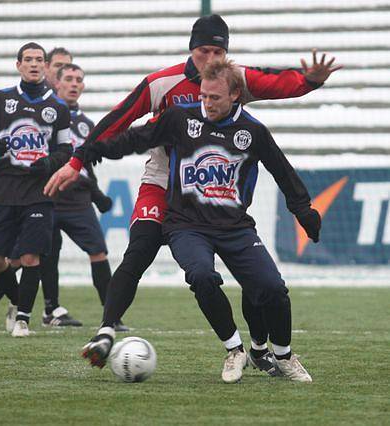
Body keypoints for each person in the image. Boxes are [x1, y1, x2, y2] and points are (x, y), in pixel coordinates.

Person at [44, 14, 341, 372]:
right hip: (163, 184)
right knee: (140, 250)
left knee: (257, 279)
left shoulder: (235, 79)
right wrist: (78, 160)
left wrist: (308, 82)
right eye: (204, 50)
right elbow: (118, 121)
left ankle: (261, 348)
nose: (211, 59)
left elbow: (279, 83)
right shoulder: (161, 83)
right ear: (191, 49)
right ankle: (106, 330)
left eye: (218, 51)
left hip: (220, 193)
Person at [84, 59, 320, 382]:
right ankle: (234, 350)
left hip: (235, 227)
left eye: (215, 98)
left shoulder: (253, 131)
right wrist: (98, 148)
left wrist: (304, 212)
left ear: (235, 94)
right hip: (186, 225)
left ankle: (284, 356)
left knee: (273, 289)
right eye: (204, 96)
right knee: (202, 276)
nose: (206, 103)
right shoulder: (180, 118)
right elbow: (139, 138)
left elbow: (283, 172)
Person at [0, 47, 79, 328]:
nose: (34, 65)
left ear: (45, 65)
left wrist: (49, 163)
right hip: (2, 187)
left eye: (39, 60)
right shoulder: (1, 99)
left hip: (38, 190)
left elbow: (65, 150)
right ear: (18, 65)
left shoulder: (57, 107)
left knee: (29, 255)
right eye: (29, 60)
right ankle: (16, 300)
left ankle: (21, 317)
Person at [40, 63, 128, 330]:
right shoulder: (44, 115)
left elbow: (86, 163)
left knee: (98, 251)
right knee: (33, 256)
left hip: (78, 203)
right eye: (69, 79)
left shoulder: (87, 124)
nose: (74, 84)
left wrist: (97, 194)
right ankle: (45, 309)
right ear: (57, 83)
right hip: (48, 196)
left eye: (79, 79)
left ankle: (111, 316)